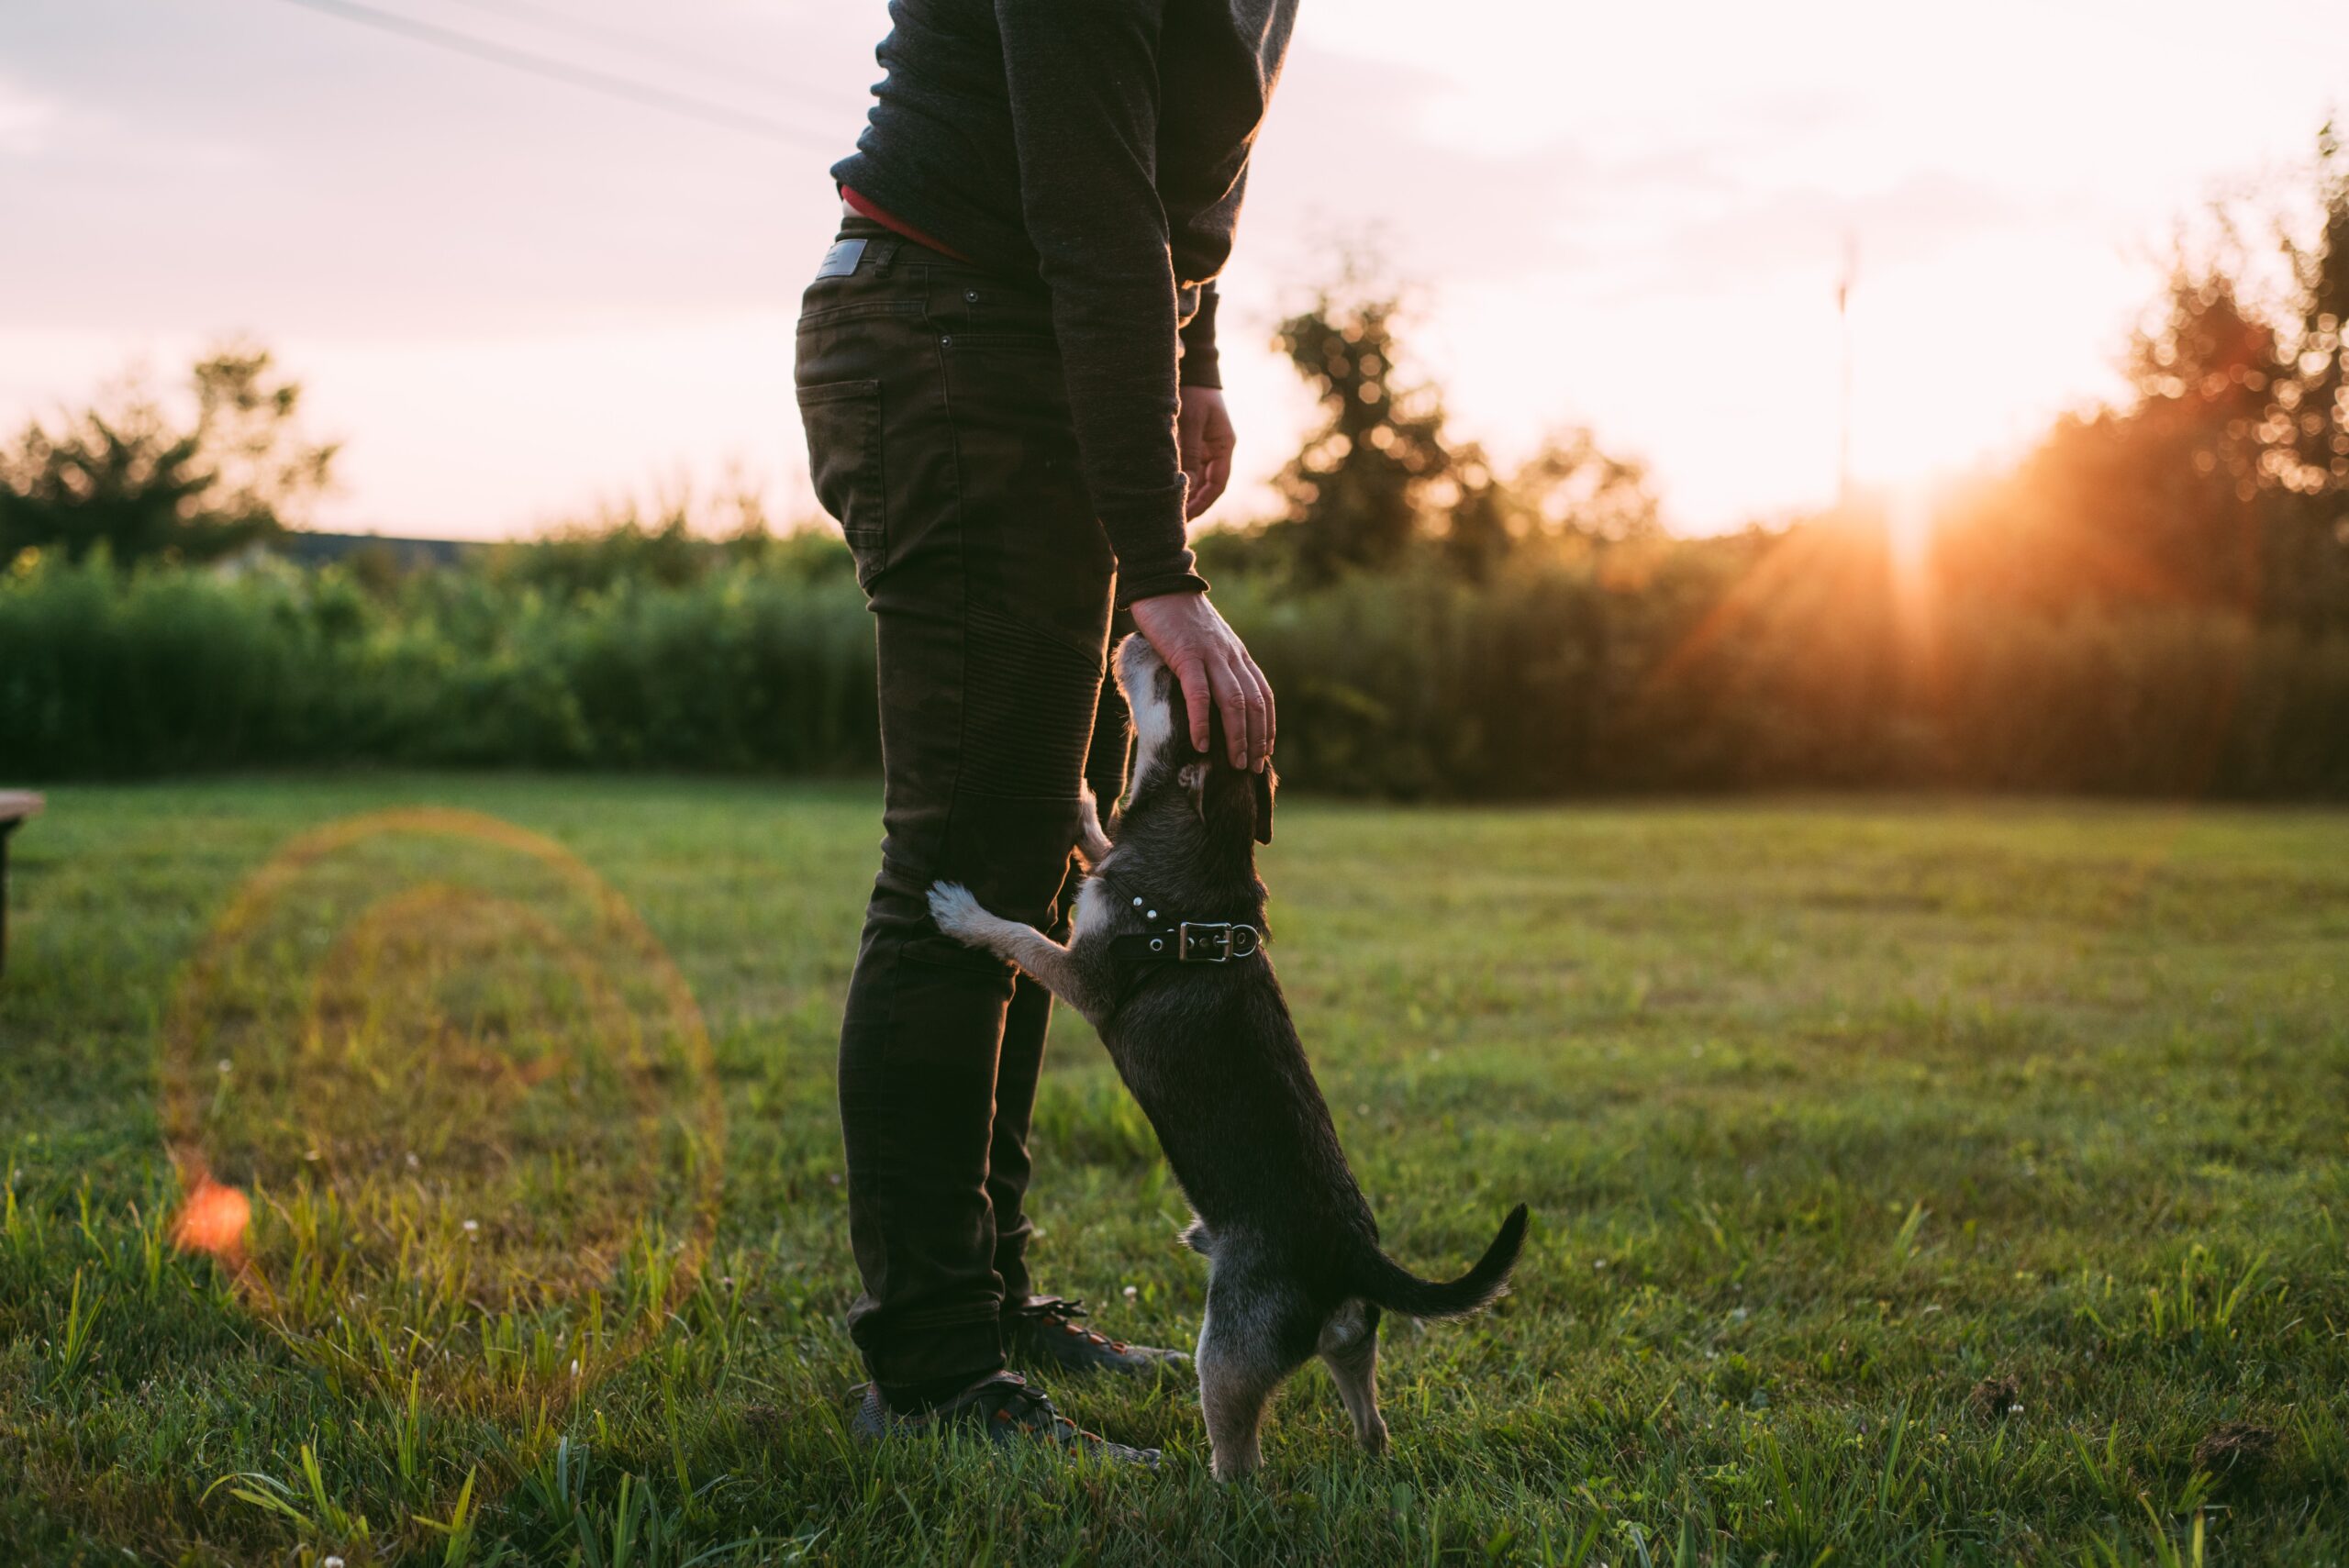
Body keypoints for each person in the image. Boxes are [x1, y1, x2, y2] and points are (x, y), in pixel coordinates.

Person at [795, 3, 1299, 1466]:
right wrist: (1163, 572)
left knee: (1025, 853)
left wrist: (1195, 351)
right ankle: (932, 1370)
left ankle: (991, 1300)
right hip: (947, 331)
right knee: (958, 864)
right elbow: (1086, 198)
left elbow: (1179, 165)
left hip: (1023, 340)